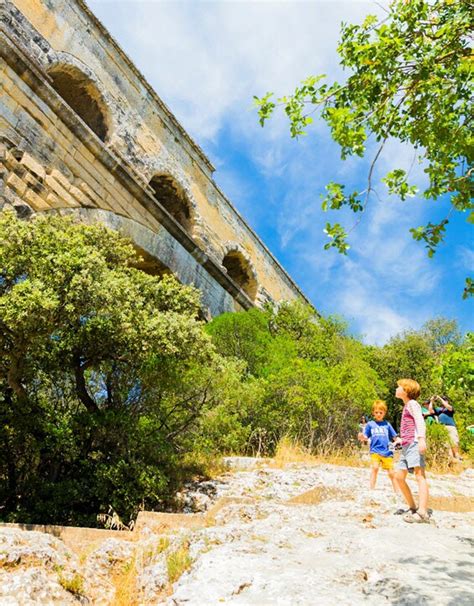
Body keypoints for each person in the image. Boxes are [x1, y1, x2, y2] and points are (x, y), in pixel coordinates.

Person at [394, 379, 431, 524]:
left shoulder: (413, 404)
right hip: (407, 445)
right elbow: (409, 428)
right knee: (398, 477)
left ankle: (423, 512)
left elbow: (420, 422)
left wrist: (421, 439)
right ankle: (412, 507)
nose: (396, 389)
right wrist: (401, 440)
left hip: (415, 444)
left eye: (399, 387)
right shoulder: (406, 406)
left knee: (419, 475)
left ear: (407, 390)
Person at [358, 401, 400, 493]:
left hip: (387, 452)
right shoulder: (370, 424)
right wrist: (361, 437)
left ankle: (397, 491)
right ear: (373, 412)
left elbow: (395, 437)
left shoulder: (387, 424)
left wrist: (397, 441)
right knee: (375, 468)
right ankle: (371, 489)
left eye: (381, 412)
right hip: (375, 451)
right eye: (376, 412)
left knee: (391, 472)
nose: (378, 414)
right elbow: (365, 437)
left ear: (384, 413)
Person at [430, 395, 462, 460]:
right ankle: (451, 458)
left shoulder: (449, 408)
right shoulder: (439, 409)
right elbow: (430, 410)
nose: (443, 401)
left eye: (445, 400)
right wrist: (431, 401)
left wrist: (440, 398)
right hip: (443, 427)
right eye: (443, 400)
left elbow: (448, 406)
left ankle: (457, 456)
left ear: (447, 401)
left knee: (454, 441)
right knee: (446, 444)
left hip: (451, 426)